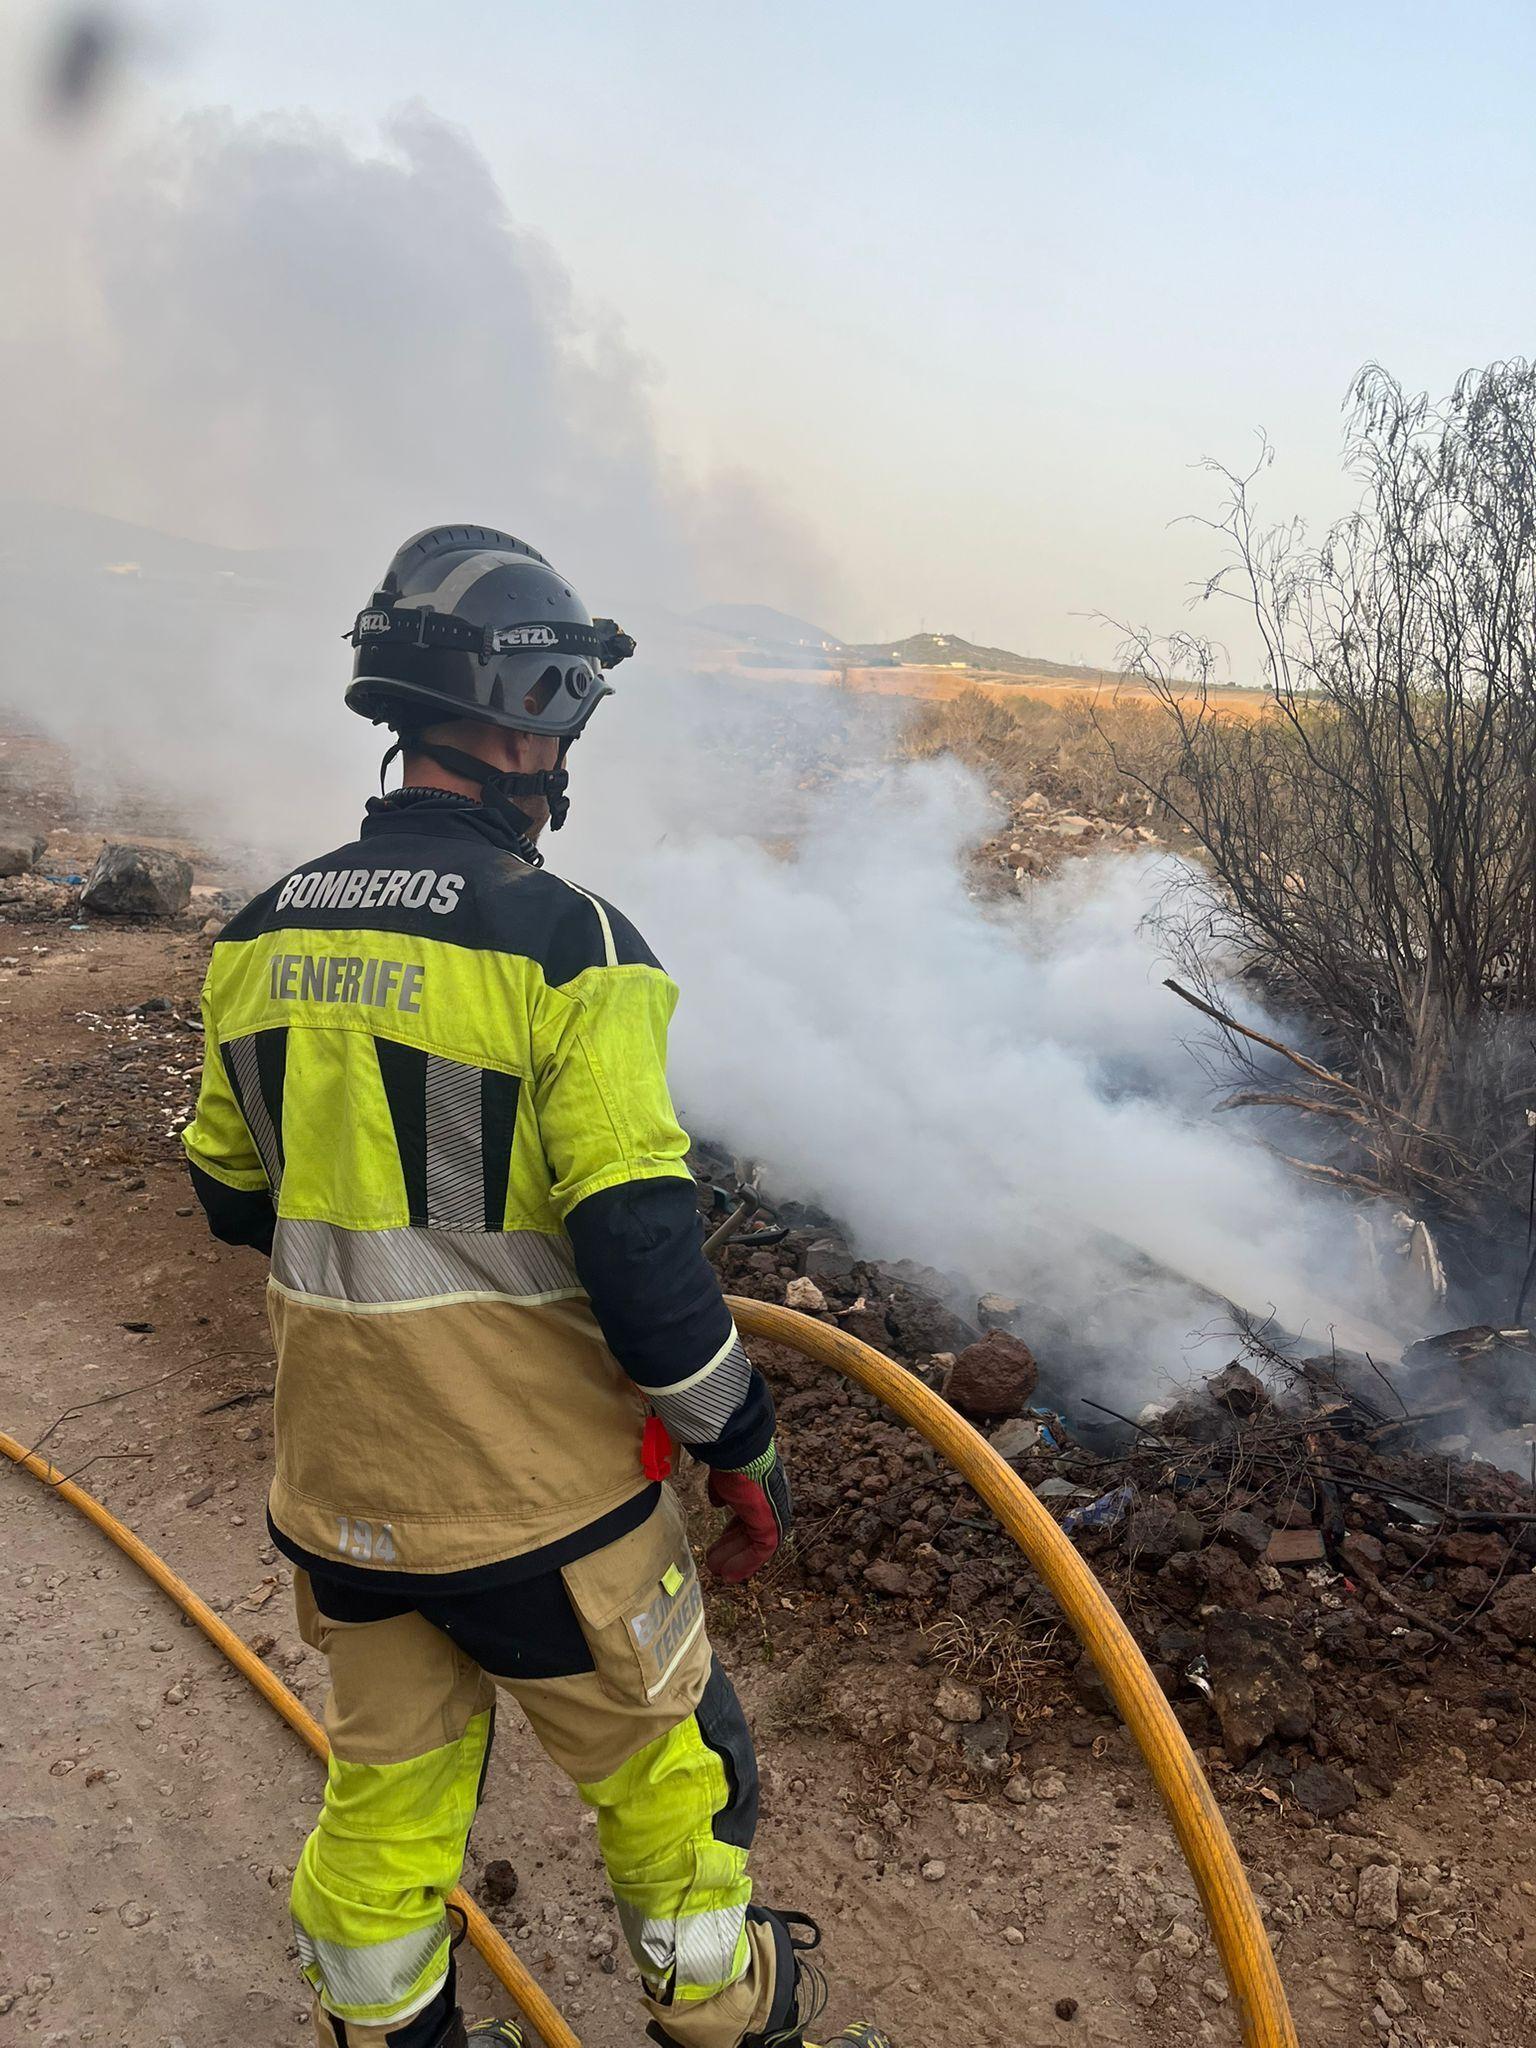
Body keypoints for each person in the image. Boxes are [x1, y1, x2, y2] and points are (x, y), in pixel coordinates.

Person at [182, 526, 888, 2048]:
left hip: (339, 1502)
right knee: (680, 1779)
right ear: (517, 713)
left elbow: (233, 1201)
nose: (565, 752)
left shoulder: (258, 936)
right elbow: (642, 1257)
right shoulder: (574, 949)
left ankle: (392, 2031)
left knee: (389, 1791)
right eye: (562, 719)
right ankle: (725, 2016)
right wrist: (740, 1437)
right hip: (538, 1513)